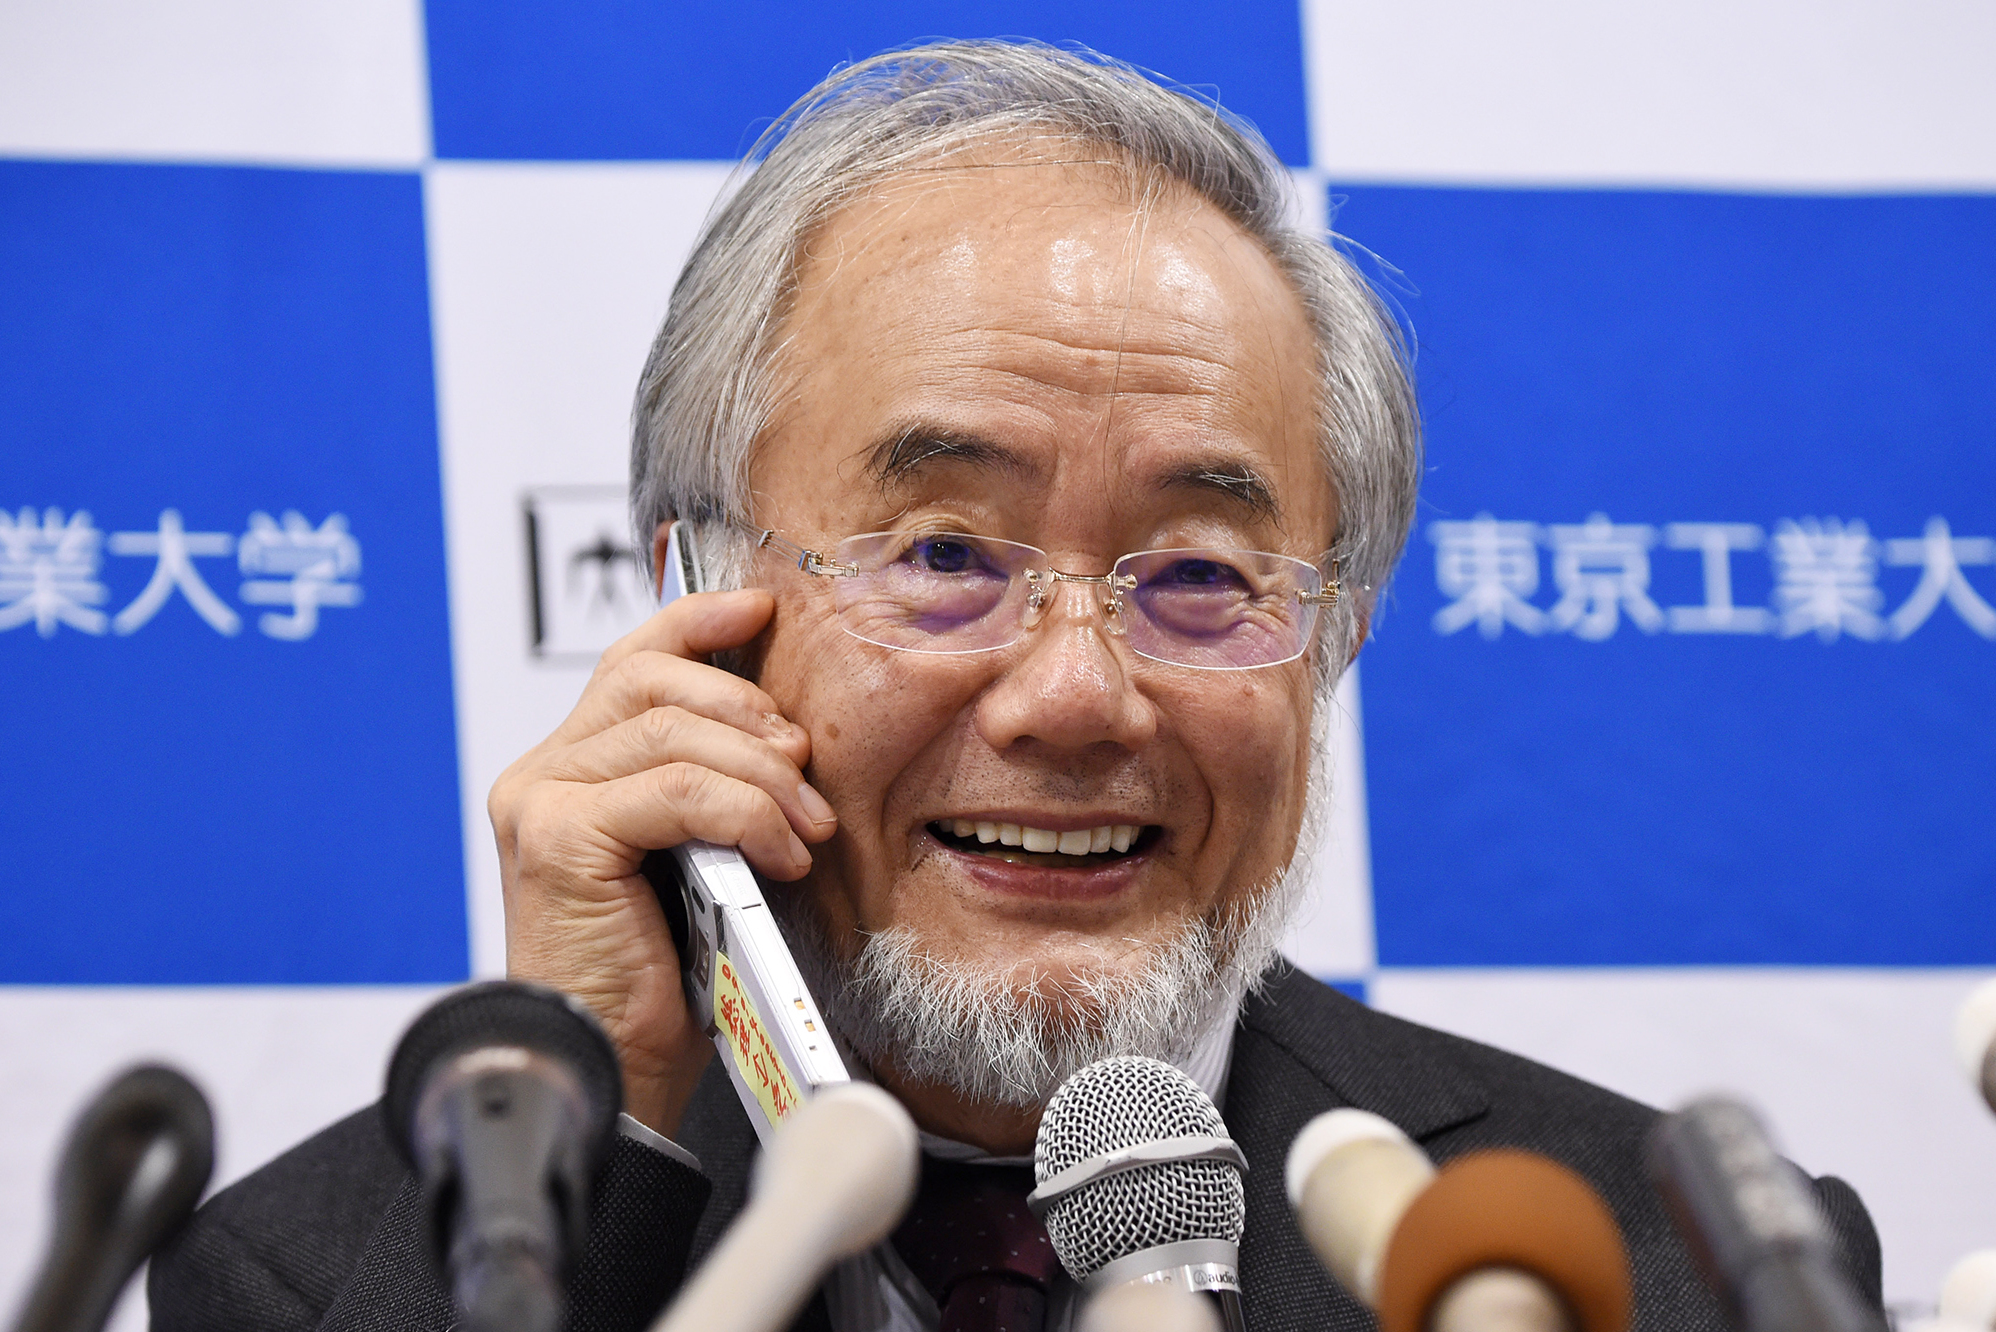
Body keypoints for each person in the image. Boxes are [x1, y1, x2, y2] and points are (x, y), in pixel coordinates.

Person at [151, 39, 1880, 1332]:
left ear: (1335, 637)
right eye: (943, 556)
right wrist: (594, 1128)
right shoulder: (305, 1278)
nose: (1074, 697)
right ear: (699, 604)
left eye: (1201, 577)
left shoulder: (1674, 1268)